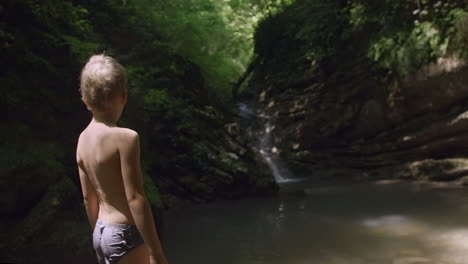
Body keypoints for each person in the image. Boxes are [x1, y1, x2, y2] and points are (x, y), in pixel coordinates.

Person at [76, 54, 168, 264]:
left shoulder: (82, 140)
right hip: (126, 233)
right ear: (123, 97)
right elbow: (135, 197)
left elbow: (87, 197)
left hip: (100, 231)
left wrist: (99, 236)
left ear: (85, 99)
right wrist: (155, 252)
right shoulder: (126, 138)